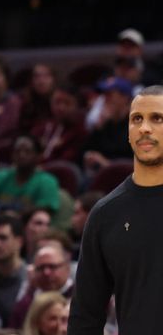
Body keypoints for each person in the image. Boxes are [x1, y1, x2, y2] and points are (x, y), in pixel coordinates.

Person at [68, 85, 163, 334]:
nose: (145, 128)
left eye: (157, 118)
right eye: (136, 119)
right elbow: (85, 316)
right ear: (128, 133)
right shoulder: (106, 214)